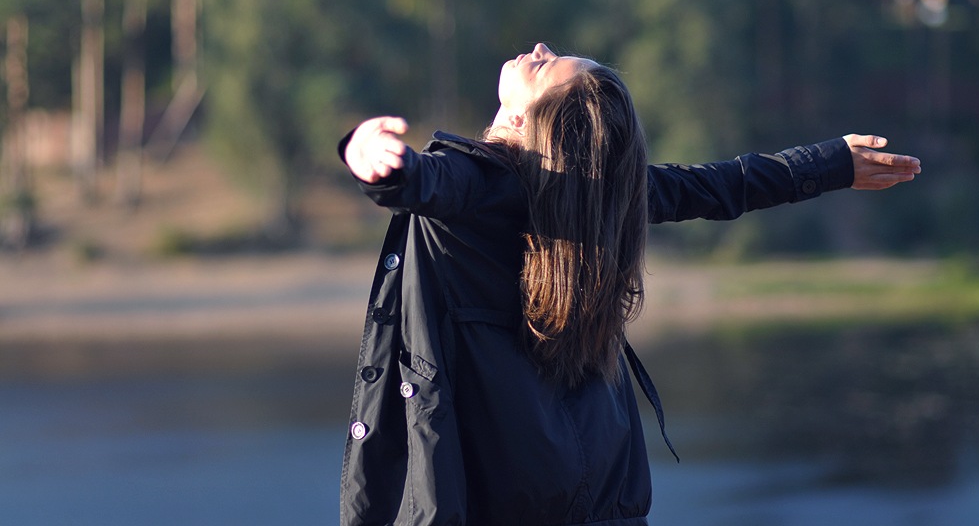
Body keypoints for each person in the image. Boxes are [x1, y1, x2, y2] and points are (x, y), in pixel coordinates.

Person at [339, 43, 920, 525]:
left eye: (546, 65)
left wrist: (373, 159)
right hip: (594, 483)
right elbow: (718, 186)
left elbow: (422, 181)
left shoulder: (477, 183)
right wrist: (831, 164)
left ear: (523, 121)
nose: (539, 48)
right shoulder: (596, 197)